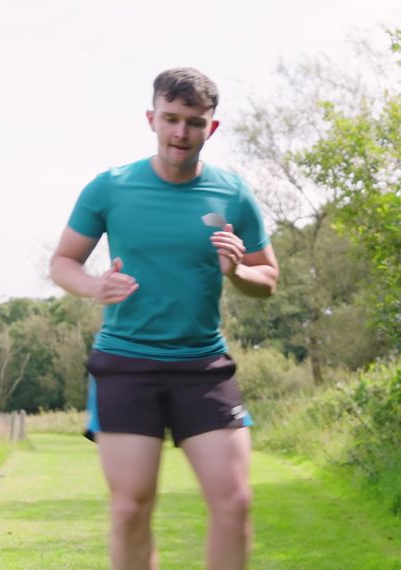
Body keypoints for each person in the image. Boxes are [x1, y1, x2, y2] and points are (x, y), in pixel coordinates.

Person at [49, 67, 278, 570]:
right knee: (130, 509)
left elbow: (268, 279)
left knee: (235, 502)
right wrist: (94, 286)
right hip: (126, 364)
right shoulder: (110, 188)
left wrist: (238, 271)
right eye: (171, 119)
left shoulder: (233, 193)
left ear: (211, 127)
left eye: (194, 122)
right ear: (151, 119)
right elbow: (62, 262)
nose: (181, 132)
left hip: (203, 367)